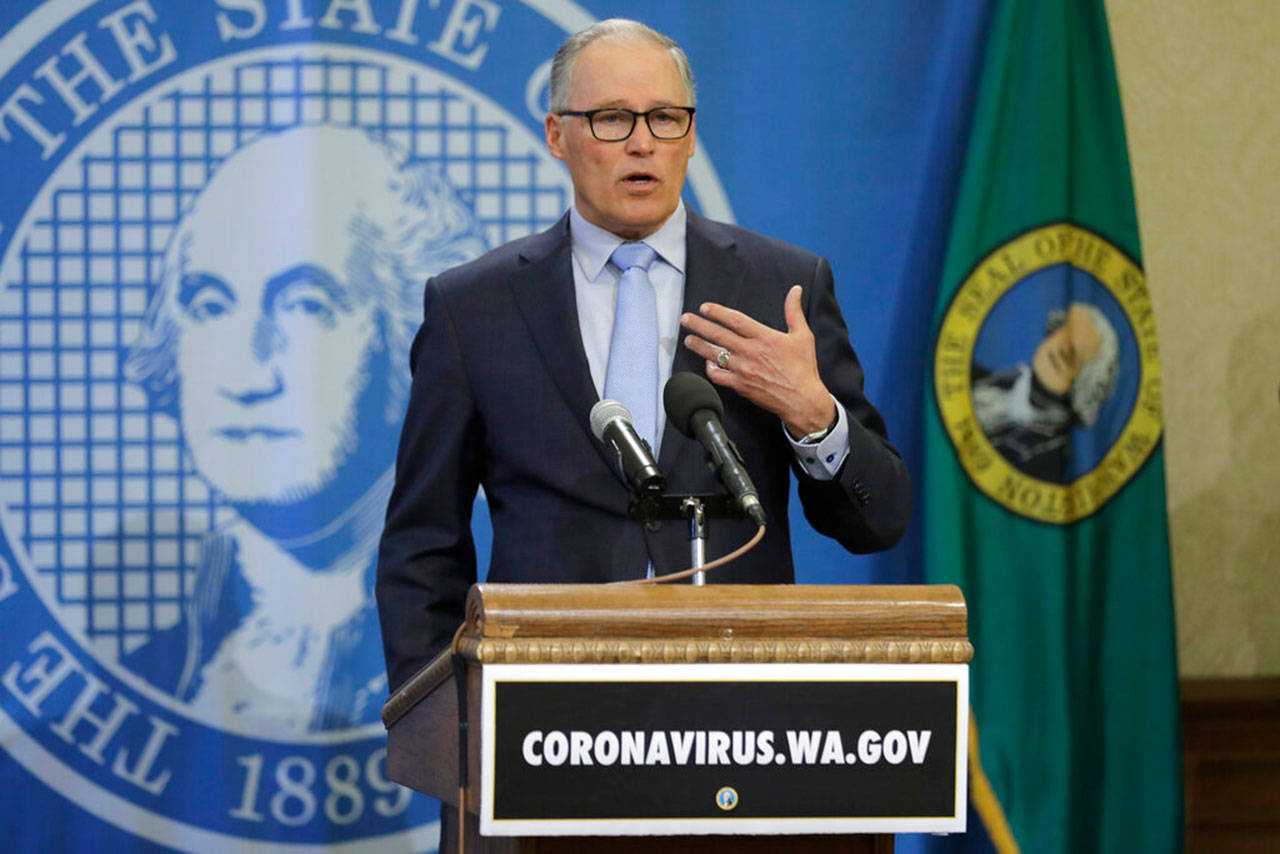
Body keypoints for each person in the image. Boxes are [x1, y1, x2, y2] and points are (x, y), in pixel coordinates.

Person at [375, 19, 912, 694]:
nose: (641, 143)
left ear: (689, 137)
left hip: (736, 707)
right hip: (542, 713)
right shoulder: (474, 307)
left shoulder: (780, 287)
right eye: (609, 119)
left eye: (664, 118)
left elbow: (878, 522)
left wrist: (814, 416)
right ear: (556, 136)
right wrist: (451, 723)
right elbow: (422, 546)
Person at [122, 125, 488, 733]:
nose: (245, 370)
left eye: (305, 305)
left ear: (413, 340)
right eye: (210, 305)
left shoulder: (509, 649)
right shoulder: (146, 684)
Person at [972, 302, 1120, 482]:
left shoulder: (1048, 465)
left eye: (1079, 356)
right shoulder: (973, 377)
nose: (1064, 350)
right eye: (1066, 332)